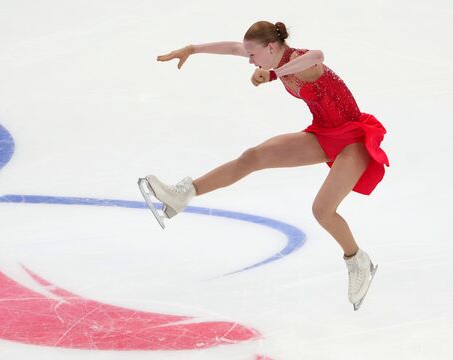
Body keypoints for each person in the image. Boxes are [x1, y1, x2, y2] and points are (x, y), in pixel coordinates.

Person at [140, 21, 388, 310]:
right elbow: (234, 47)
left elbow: (318, 56)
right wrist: (193, 49)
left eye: (253, 55)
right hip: (322, 134)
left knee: (322, 210)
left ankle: (357, 261)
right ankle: (182, 193)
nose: (249, 60)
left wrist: (272, 74)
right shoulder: (271, 59)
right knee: (253, 157)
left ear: (271, 48)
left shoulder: (299, 61)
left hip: (352, 141)